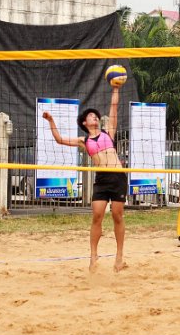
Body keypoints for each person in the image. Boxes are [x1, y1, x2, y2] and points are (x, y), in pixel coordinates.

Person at [42, 84, 128, 272]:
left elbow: (114, 107)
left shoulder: (108, 132)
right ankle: (93, 256)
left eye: (95, 115)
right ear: (84, 123)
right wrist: (51, 121)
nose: (94, 117)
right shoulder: (84, 140)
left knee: (117, 215)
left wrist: (115, 89)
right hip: (102, 179)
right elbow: (59, 139)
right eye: (90, 116)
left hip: (118, 177)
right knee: (97, 215)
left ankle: (119, 257)